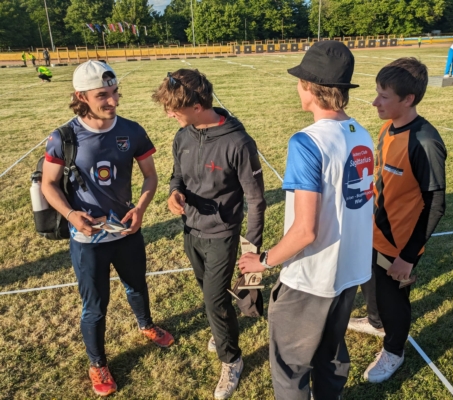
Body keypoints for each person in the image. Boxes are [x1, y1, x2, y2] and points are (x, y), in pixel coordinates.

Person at [239, 41, 374, 400]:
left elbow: (305, 231)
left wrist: (263, 260)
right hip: (350, 271)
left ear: (309, 88)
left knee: (290, 367)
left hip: (311, 278)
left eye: (299, 82)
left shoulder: (306, 142)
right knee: (331, 355)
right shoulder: (362, 133)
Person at [41, 60, 174, 397]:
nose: (113, 101)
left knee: (137, 285)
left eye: (115, 92)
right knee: (95, 305)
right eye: (103, 95)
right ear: (81, 96)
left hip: (126, 231)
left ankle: (146, 325)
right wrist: (72, 215)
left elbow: (150, 176)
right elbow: (48, 185)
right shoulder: (63, 137)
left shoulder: (132, 131)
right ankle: (97, 362)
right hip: (87, 239)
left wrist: (140, 209)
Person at [152, 69, 266, 399]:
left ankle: (232, 359)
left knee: (214, 300)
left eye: (174, 109)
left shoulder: (238, 143)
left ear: (198, 106)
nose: (169, 115)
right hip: (191, 231)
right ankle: (222, 328)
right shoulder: (182, 136)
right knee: (210, 294)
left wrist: (251, 249)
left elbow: (256, 201)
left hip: (223, 234)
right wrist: (174, 193)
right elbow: (177, 176)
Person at [347, 57, 447, 383]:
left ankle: (394, 350)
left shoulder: (425, 142)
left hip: (400, 244)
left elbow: (435, 204)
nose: (374, 102)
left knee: (394, 300)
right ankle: (376, 322)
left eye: (383, 96)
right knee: (371, 285)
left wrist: (407, 256)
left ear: (408, 99)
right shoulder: (388, 126)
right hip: (374, 231)